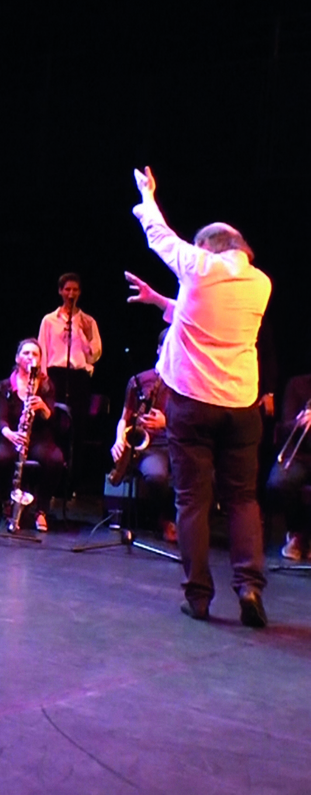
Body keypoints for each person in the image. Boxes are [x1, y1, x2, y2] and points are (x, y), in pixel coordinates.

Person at [126, 165, 271, 627]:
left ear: (208, 247)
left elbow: (160, 237)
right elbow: (203, 316)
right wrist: (161, 302)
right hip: (240, 404)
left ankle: (200, 596)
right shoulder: (260, 283)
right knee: (243, 499)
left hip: (193, 403)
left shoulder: (198, 266)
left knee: (192, 500)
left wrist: (148, 195)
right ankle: (248, 586)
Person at [0, 338, 66, 532]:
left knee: (55, 459)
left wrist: (42, 406)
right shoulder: (6, 386)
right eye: (26, 353)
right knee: (2, 458)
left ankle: (41, 509)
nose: (30, 357)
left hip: (40, 437)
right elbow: (1, 420)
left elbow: (51, 416)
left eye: (35, 354)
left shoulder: (46, 385)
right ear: (17, 358)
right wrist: (11, 434)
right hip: (14, 436)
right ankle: (7, 503)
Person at [109, 329, 174, 542]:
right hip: (152, 446)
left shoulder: (188, 384)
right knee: (156, 477)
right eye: (168, 346)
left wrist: (167, 422)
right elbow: (124, 418)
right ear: (158, 349)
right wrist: (120, 439)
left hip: (180, 443)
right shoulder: (141, 380)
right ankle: (164, 520)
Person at [36, 272, 102, 475]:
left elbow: (95, 355)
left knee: (77, 427)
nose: (71, 293)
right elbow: (42, 349)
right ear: (60, 291)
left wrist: (87, 334)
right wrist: (43, 377)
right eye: (67, 289)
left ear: (80, 292)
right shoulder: (49, 320)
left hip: (78, 377)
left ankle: (72, 480)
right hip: (55, 375)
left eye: (75, 290)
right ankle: (51, 476)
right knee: (54, 425)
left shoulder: (88, 321)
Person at [266, 373, 311, 561]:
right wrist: (300, 421)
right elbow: (284, 427)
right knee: (279, 482)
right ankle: (297, 532)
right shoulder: (298, 385)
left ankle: (303, 538)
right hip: (301, 455)